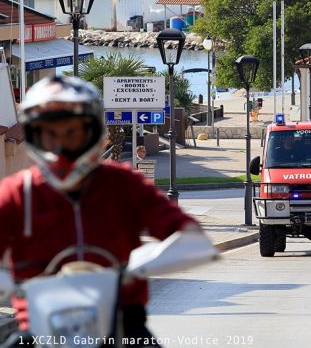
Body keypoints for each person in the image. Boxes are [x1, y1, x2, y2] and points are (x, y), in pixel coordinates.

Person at [0, 76, 206, 348]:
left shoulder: (123, 185)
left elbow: (189, 236)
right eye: (51, 132)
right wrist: (11, 282)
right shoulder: (17, 192)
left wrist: (135, 267)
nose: (62, 143)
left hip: (121, 321)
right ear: (36, 136)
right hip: (40, 325)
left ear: (93, 132)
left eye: (73, 131)